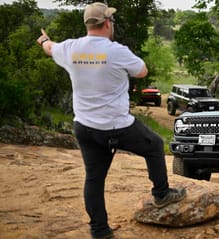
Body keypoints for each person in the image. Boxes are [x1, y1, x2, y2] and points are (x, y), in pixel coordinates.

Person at [36, 2, 186, 239]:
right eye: (112, 21)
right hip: (116, 127)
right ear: (107, 23)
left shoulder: (70, 48)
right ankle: (161, 194)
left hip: (85, 127)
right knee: (155, 145)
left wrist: (44, 41)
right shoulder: (116, 50)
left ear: (87, 24)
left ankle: (100, 231)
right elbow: (142, 71)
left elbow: (49, 47)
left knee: (94, 179)